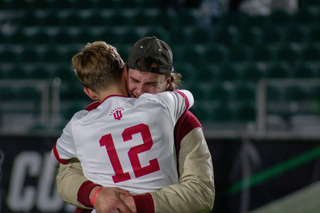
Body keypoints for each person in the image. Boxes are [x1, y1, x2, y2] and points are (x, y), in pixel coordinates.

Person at [56, 37, 215, 213]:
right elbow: (66, 176)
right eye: (135, 80)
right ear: (124, 73)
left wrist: (131, 204)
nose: (140, 91)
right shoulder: (93, 115)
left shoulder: (184, 122)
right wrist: (96, 194)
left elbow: (200, 192)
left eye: (151, 84)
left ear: (168, 82)